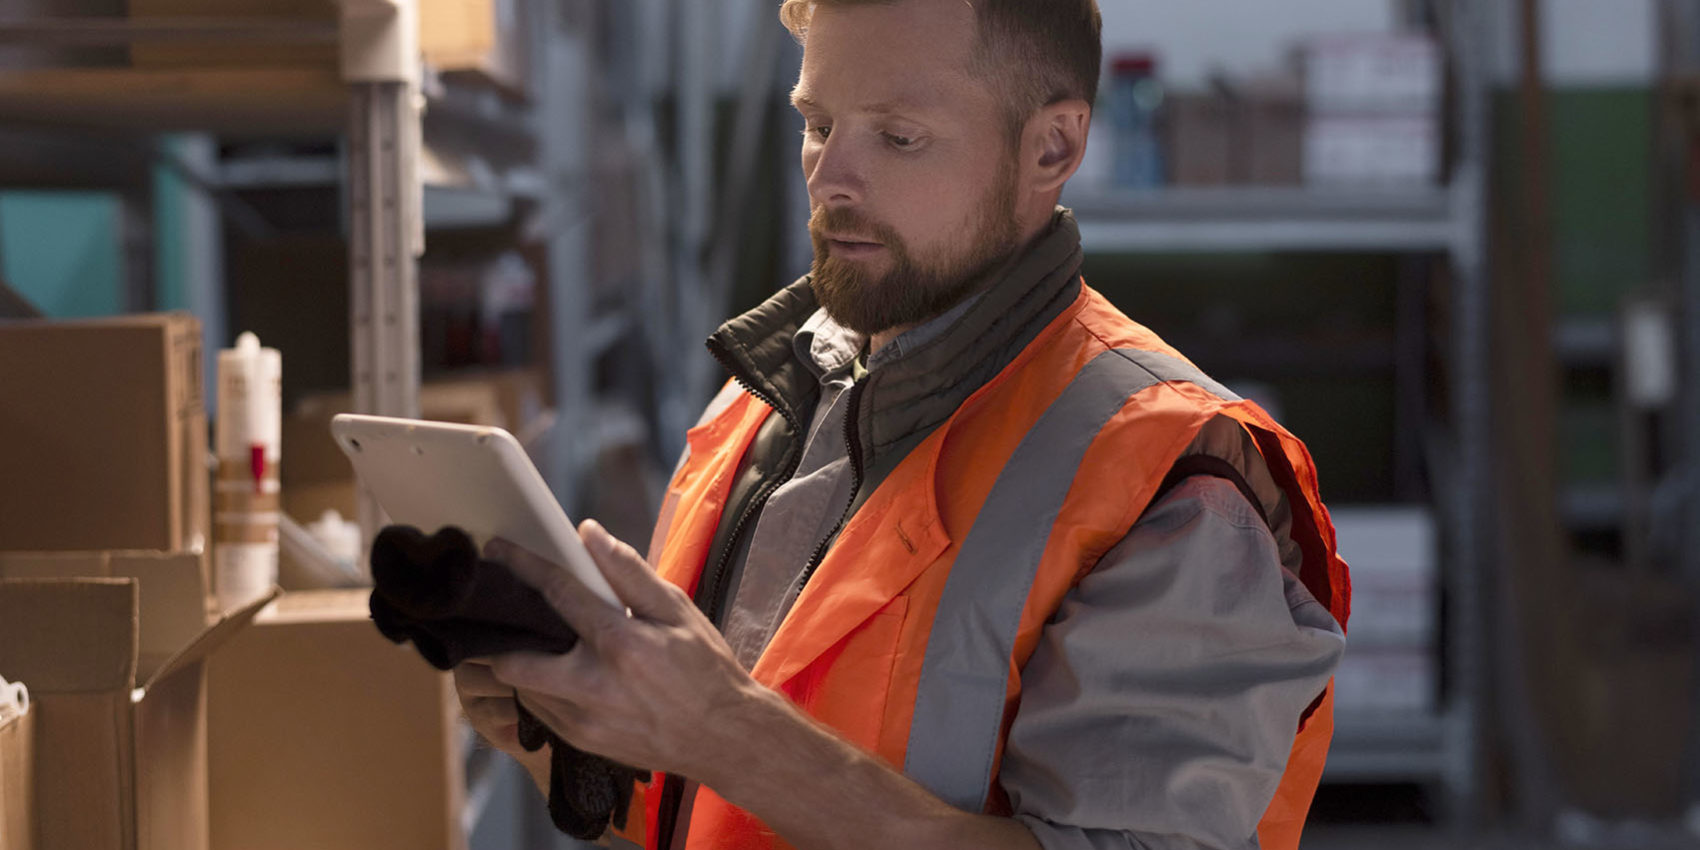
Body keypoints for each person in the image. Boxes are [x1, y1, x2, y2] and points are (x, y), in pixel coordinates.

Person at [454, 1, 1350, 848]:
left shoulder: (1170, 476)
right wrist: (573, 734)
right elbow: (698, 808)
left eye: (897, 136)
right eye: (817, 124)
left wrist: (723, 730)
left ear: (1053, 146)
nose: (829, 177)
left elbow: (731, 743)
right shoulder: (764, 402)